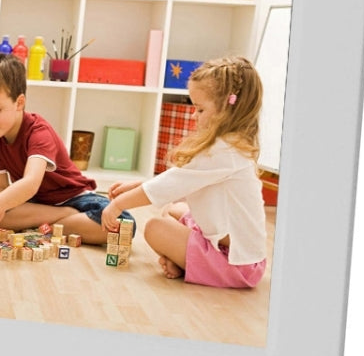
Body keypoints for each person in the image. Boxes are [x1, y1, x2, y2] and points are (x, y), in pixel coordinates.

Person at [102, 56, 267, 288]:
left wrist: (119, 205)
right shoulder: (230, 145)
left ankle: (188, 263)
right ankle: (185, 261)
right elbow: (179, 181)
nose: (193, 115)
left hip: (237, 263)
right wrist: (135, 186)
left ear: (227, 110)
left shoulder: (223, 152)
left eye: (200, 109)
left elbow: (170, 185)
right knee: (172, 210)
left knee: (155, 228)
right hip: (238, 250)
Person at [0, 52, 132, 244]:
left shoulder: (39, 132)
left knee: (123, 225)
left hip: (74, 199)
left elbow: (30, 183)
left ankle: (57, 219)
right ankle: (62, 219)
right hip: (36, 204)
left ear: (19, 103)